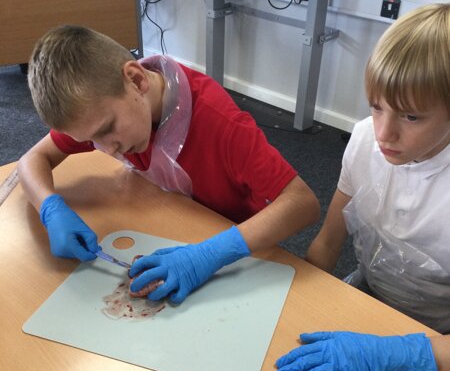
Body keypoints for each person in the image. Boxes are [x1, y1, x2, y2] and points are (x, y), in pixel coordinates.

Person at [18, 25, 320, 304]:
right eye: (90, 139)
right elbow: (32, 160)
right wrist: (50, 208)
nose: (105, 149)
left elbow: (303, 203)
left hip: (236, 247)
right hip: (171, 219)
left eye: (106, 129)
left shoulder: (221, 124)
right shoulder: (99, 111)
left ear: (136, 80)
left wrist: (210, 253)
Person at [273, 3, 450, 371]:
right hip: (367, 299)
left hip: (436, 341)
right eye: (376, 106)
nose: (384, 133)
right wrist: (292, 307)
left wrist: (399, 352)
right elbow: (329, 241)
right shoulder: (366, 139)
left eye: (411, 117)